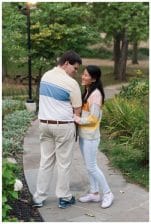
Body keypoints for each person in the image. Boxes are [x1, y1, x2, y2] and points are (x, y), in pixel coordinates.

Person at [33, 50, 82, 209]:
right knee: (64, 163)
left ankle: (39, 197)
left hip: (44, 125)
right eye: (75, 68)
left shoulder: (46, 75)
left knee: (45, 161)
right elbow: (77, 110)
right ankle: (64, 197)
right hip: (62, 126)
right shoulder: (71, 83)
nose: (75, 72)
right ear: (66, 63)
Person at [74, 65, 114, 209]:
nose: (82, 77)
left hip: (91, 136)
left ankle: (108, 193)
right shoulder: (88, 91)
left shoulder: (96, 94)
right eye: (83, 74)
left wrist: (77, 119)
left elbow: (93, 118)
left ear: (94, 78)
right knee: (89, 166)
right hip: (84, 136)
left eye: (86, 75)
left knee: (92, 167)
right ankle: (95, 193)